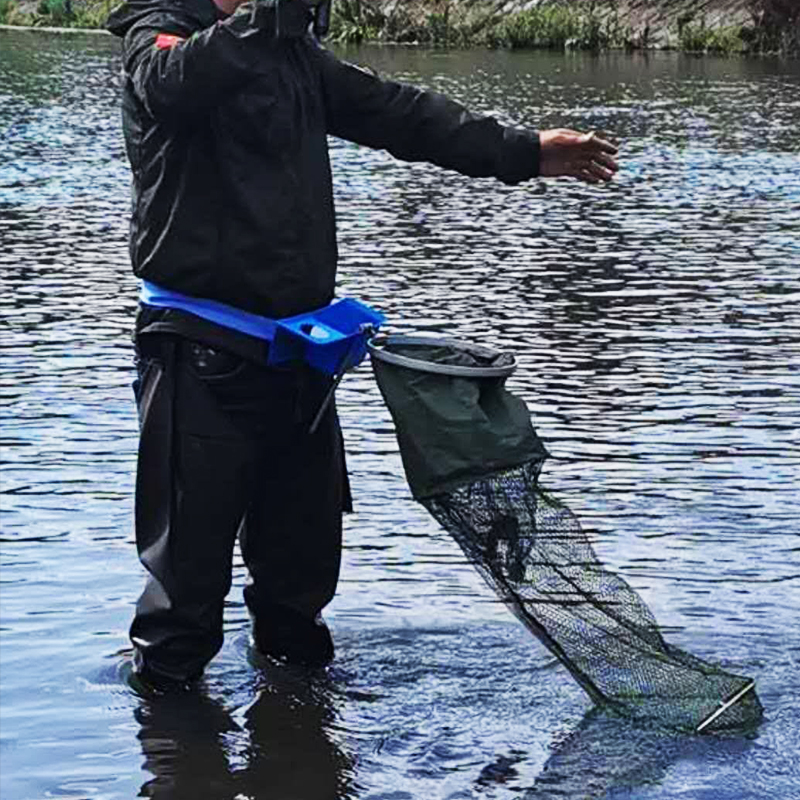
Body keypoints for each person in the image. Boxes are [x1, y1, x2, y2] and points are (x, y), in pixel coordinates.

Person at [107, 0, 618, 692]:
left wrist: (522, 153)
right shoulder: (160, 35)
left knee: (299, 595)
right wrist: (268, 18)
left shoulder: (293, 55)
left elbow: (397, 112)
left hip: (298, 366)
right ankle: (172, 756)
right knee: (183, 608)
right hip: (200, 361)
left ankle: (300, 743)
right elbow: (167, 82)